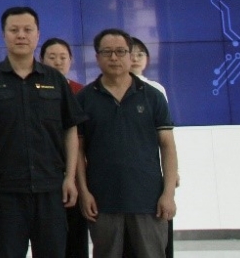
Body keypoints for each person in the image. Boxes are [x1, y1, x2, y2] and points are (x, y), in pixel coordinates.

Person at [0, 7, 86, 258]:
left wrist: (69, 178)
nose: (21, 35)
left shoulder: (55, 80)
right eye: (14, 30)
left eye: (27, 30)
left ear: (37, 35)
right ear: (4, 35)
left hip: (51, 189)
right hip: (6, 190)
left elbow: (70, 129)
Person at [76, 29, 178, 258]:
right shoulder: (84, 99)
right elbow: (78, 151)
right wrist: (84, 192)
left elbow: (168, 146)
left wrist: (168, 193)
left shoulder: (152, 96)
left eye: (120, 51)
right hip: (103, 201)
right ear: (97, 57)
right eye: (107, 52)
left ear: (130, 55)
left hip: (148, 200)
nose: (114, 57)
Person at [40, 37, 89, 258]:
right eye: (52, 57)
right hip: (44, 174)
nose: (58, 62)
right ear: (41, 60)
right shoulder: (33, 90)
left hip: (76, 175)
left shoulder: (81, 92)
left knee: (76, 237)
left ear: (71, 60)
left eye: (63, 57)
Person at [127, 36, 174, 258]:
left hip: (151, 167)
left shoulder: (155, 90)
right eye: (132, 53)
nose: (136, 58)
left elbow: (166, 137)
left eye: (141, 54)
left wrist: (172, 173)